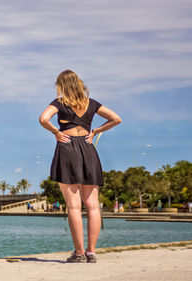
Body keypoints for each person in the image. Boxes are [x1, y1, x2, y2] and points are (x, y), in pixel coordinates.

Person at [39, 70, 122, 263]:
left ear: (61, 85)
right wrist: (96, 131)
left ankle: (79, 254)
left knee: (74, 206)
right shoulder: (91, 103)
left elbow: (44, 119)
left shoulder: (59, 102)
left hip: (67, 147)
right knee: (93, 206)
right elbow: (116, 118)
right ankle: (91, 252)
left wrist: (56, 132)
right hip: (88, 147)